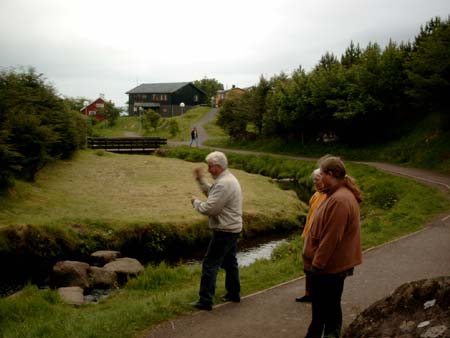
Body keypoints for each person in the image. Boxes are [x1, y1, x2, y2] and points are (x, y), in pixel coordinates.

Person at [303, 156, 362, 338]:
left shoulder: (339, 201)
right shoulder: (335, 195)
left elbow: (331, 238)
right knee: (328, 307)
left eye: (321, 174)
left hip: (329, 267)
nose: (319, 178)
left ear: (331, 174)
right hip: (329, 266)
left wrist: (317, 265)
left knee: (324, 308)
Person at [190, 151, 243, 311]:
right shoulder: (226, 179)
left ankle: (205, 301)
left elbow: (210, 208)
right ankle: (234, 294)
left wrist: (196, 202)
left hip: (224, 230)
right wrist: (200, 180)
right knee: (230, 262)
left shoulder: (223, 183)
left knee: (209, 264)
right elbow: (213, 193)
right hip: (232, 228)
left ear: (218, 167)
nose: (208, 170)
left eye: (210, 167)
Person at [296, 168, 327, 303]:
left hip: (318, 239)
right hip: (309, 236)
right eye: (314, 181)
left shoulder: (328, 196)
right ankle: (309, 293)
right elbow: (310, 217)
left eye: (318, 180)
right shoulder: (315, 195)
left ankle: (318, 294)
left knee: (316, 268)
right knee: (307, 267)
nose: (316, 183)